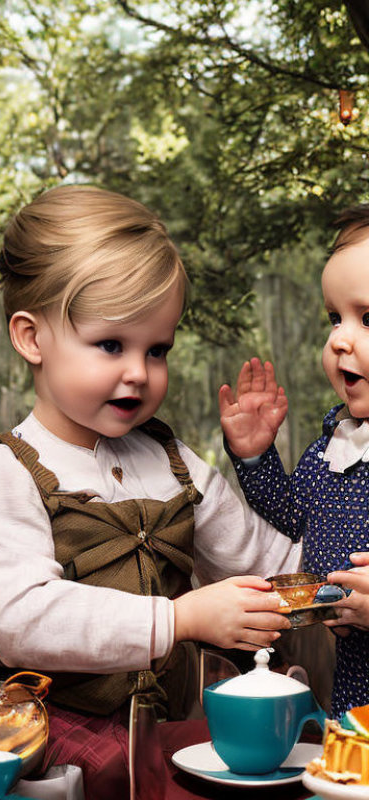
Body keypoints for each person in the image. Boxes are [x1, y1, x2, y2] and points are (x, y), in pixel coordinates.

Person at [0, 185, 301, 799]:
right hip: (57, 739)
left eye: (157, 349)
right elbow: (22, 620)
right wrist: (180, 617)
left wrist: (337, 583)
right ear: (31, 338)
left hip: (176, 732)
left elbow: (273, 565)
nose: (139, 371)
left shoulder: (174, 462)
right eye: (111, 345)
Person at [219, 205, 369, 716]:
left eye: (367, 318)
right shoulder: (338, 445)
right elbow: (291, 514)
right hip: (353, 677)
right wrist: (256, 455)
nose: (338, 339)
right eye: (335, 317)